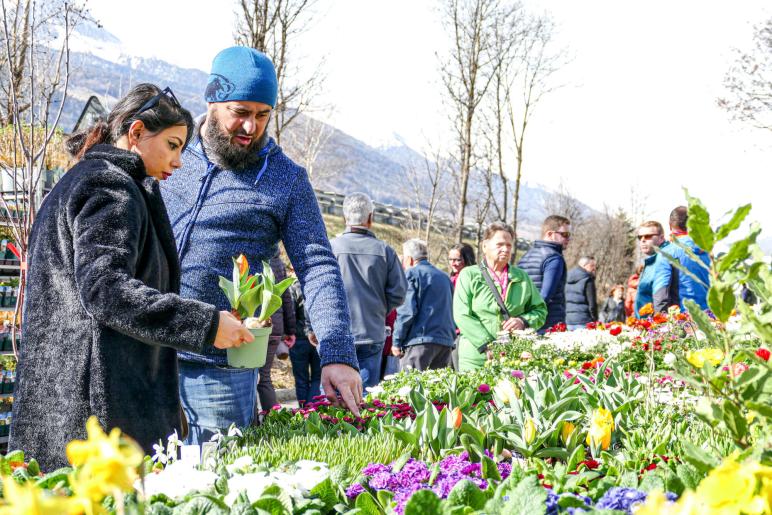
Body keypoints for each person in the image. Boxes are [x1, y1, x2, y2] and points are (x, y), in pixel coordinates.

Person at [10, 84, 253, 470]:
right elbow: (107, 292)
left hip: (65, 401)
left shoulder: (84, 179)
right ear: (136, 132)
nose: (178, 161)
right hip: (94, 414)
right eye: (172, 145)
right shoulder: (111, 187)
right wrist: (205, 325)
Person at [160, 47, 361, 444]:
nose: (251, 127)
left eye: (263, 114)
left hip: (220, 371)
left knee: (210, 489)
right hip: (145, 354)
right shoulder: (170, 152)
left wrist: (337, 352)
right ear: (213, 101)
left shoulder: (286, 180)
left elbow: (317, 265)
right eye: (241, 111)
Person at [330, 193, 407, 390]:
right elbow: (398, 293)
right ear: (371, 218)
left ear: (344, 218)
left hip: (335, 331)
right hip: (371, 332)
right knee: (364, 396)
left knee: (332, 396)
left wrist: (312, 327)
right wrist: (379, 308)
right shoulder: (385, 251)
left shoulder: (331, 248)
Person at [454, 222, 547, 371]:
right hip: (476, 358)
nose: (505, 249)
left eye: (509, 245)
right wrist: (487, 345)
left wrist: (523, 321)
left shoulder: (521, 277)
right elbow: (462, 315)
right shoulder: (469, 275)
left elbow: (540, 311)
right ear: (485, 246)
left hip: (514, 357)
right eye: (500, 245)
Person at [391, 239, 455, 370]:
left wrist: (396, 342)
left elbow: (407, 312)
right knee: (435, 388)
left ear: (409, 259)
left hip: (420, 341)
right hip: (445, 342)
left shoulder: (412, 274)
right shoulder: (444, 277)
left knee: (411, 387)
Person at [256, 253, 296, 412]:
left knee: (249, 376)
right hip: (275, 326)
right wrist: (290, 330)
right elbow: (286, 297)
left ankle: (252, 423)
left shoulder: (251, 256)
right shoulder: (276, 261)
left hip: (254, 323)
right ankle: (273, 421)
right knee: (264, 377)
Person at [517, 215, 571, 333]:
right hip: (549, 325)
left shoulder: (525, 256)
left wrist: (524, 319)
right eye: (565, 234)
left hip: (525, 324)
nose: (568, 239)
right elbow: (545, 296)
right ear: (550, 234)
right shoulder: (554, 258)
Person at [654, 206, 711, 311]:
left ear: (670, 225)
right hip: (710, 319)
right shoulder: (708, 253)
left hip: (682, 320)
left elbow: (661, 294)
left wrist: (660, 323)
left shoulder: (667, 253)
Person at [288, 275, 321, 405]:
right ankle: (313, 409)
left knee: (301, 379)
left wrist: (289, 332)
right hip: (317, 337)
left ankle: (304, 409)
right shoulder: (318, 287)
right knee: (317, 377)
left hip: (299, 338)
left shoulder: (293, 287)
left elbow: (290, 313)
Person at [635, 221, 677, 316]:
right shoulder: (652, 260)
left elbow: (661, 298)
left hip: (654, 325)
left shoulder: (663, 258)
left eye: (648, 236)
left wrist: (660, 326)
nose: (643, 240)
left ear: (661, 238)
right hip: (644, 325)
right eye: (640, 237)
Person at [448, 243, 475, 371]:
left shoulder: (470, 278)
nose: (453, 263)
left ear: (467, 259)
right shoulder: (451, 278)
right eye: (451, 259)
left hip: (462, 332)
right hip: (449, 331)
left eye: (457, 260)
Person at [565, 256, 598, 329]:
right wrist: (594, 319)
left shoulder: (566, 277)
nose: (594, 268)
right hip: (584, 320)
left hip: (568, 320)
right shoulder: (588, 279)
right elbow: (592, 304)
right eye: (592, 265)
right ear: (584, 265)